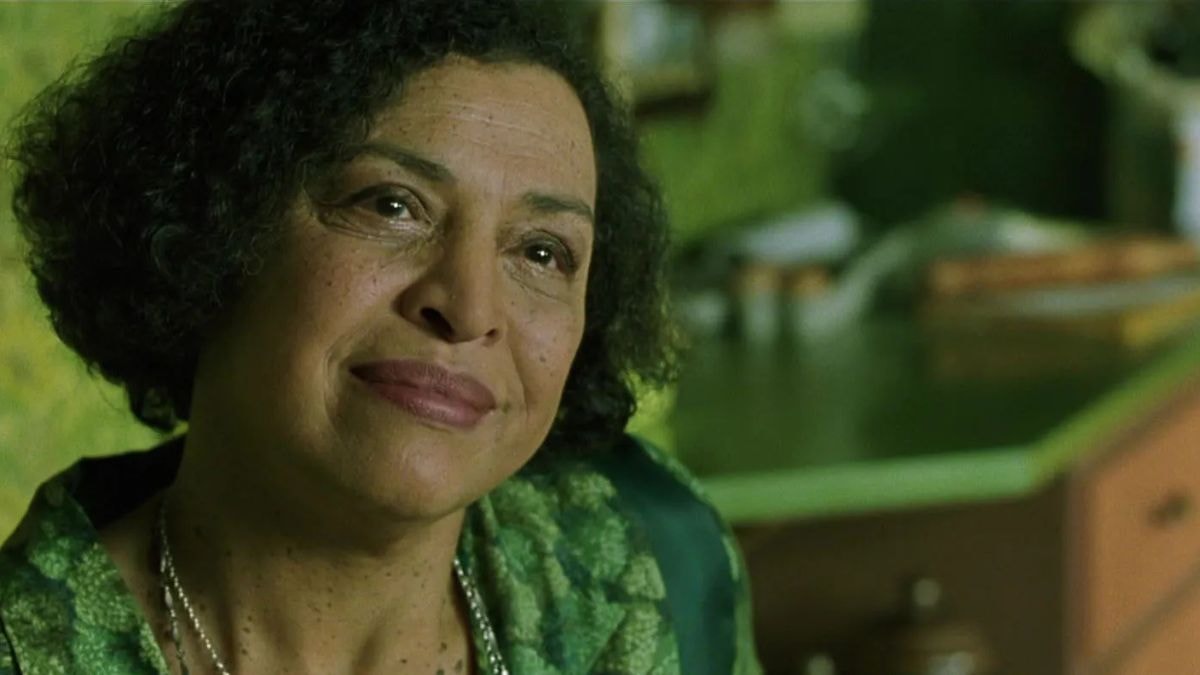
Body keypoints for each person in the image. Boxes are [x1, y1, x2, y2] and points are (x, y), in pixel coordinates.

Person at [0, 1, 761, 673]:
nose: (469, 308)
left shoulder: (657, 560)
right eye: (392, 206)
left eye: (541, 252)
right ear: (210, 230)